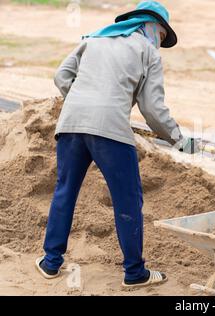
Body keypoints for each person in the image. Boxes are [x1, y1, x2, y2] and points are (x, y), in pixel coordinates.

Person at [35, 1, 192, 288]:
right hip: (110, 131)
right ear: (150, 26)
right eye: (160, 34)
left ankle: (50, 262)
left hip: (71, 124)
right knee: (128, 200)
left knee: (65, 191)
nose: (159, 41)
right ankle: (134, 273)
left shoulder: (93, 39)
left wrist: (84, 103)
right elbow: (153, 109)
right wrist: (179, 139)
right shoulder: (147, 52)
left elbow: (61, 77)